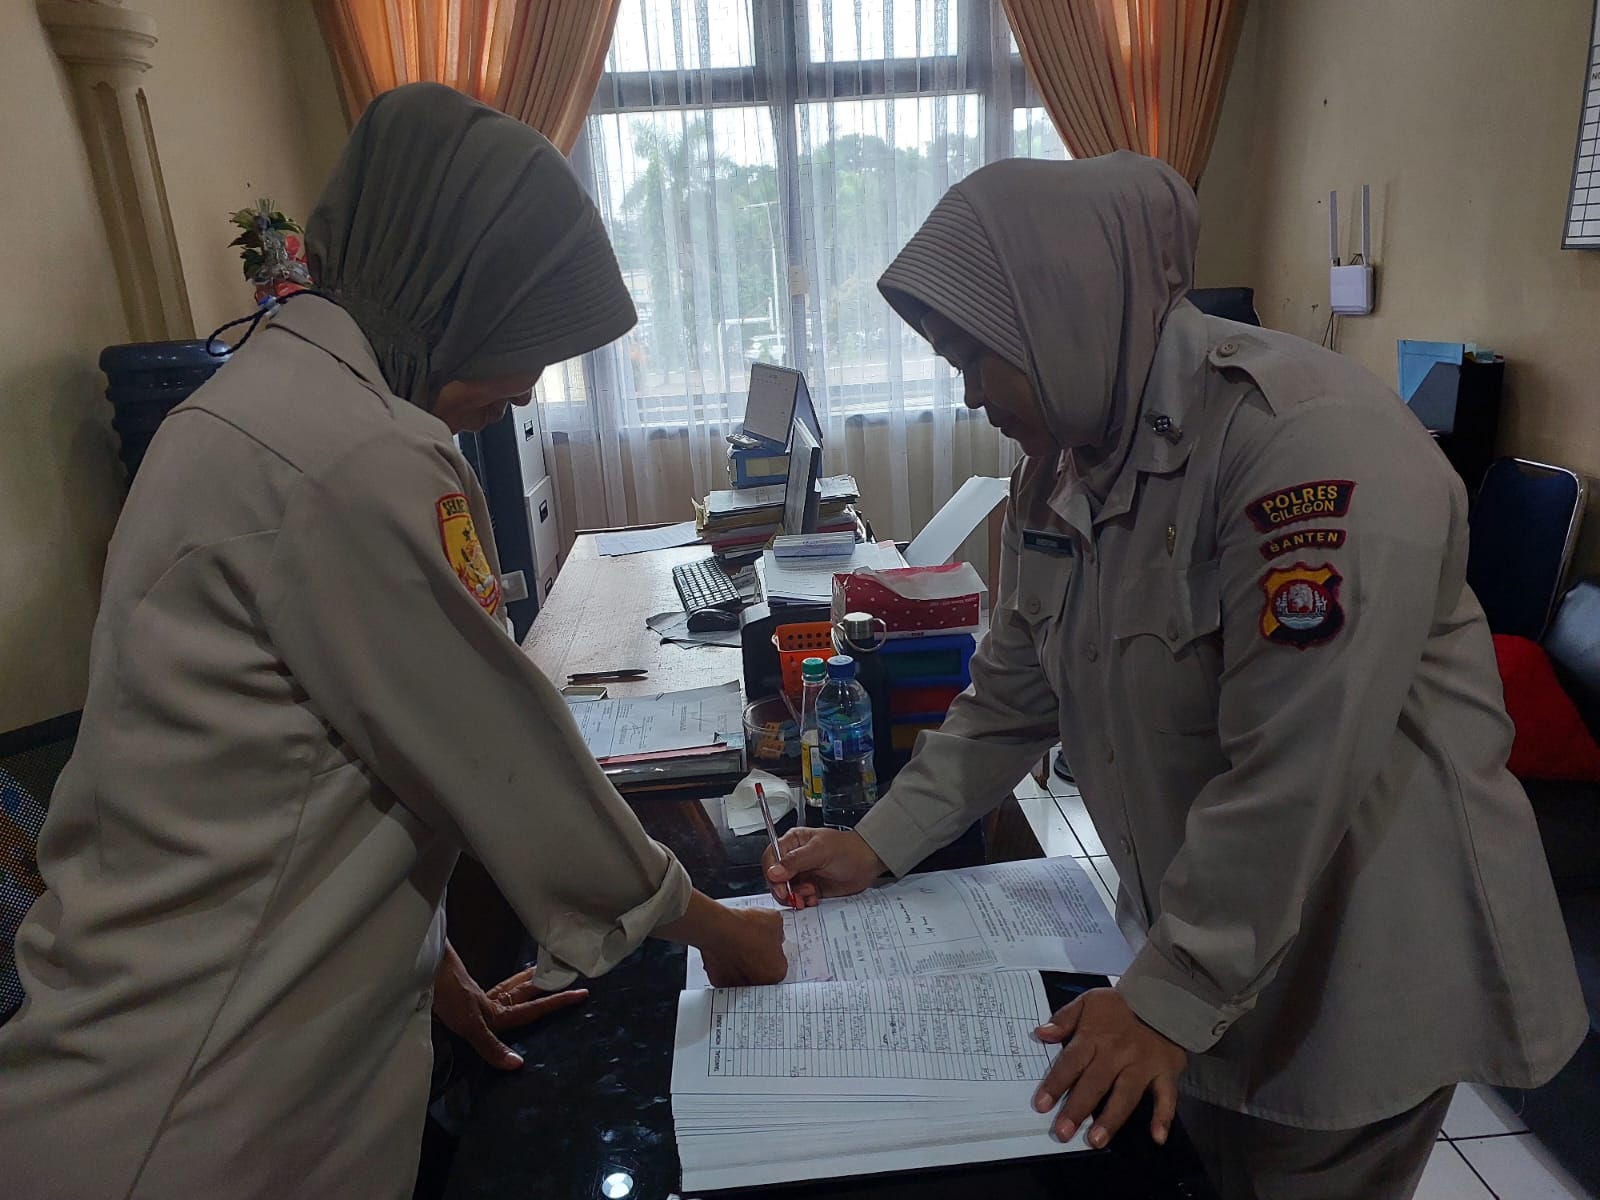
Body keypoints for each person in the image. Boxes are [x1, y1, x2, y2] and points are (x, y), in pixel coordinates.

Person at [0, 83, 785, 1199]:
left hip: (151, 1048)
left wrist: (428, 965)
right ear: (455, 289)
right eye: (523, 341)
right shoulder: (359, 455)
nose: (526, 386)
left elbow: (298, 765)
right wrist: (718, 931)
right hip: (200, 1107)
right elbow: (502, 754)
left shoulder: (256, 406)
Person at [763, 152, 1587, 1200]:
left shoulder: (1304, 445)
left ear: (1058, 310)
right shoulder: (1063, 471)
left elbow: (1296, 765)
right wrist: (877, 842)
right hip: (1210, 944)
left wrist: (1168, 993)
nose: (969, 393)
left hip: (1356, 972)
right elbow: (1011, 695)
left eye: (975, 354)